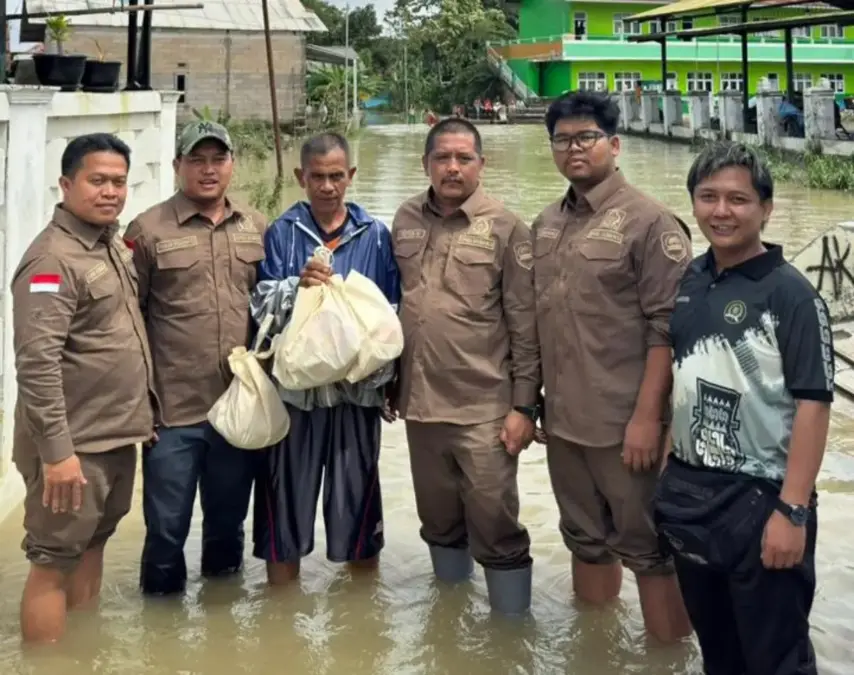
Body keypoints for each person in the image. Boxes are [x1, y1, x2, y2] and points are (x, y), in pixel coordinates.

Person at [657, 141, 834, 675]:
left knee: (777, 658)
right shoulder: (690, 279)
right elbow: (683, 378)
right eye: (708, 197)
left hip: (764, 502)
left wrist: (793, 511)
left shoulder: (793, 296)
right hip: (692, 497)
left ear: (766, 208)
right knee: (719, 651)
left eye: (738, 199)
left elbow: (814, 405)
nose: (721, 211)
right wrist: (668, 466)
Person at [531, 91, 692, 642]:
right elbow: (538, 321)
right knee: (584, 539)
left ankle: (665, 655)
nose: (574, 149)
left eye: (586, 137)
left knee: (650, 550)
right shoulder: (547, 223)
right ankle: (597, 650)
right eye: (562, 139)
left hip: (627, 427)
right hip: (565, 425)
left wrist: (649, 419)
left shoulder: (651, 222)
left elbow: (667, 330)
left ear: (615, 144)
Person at [389, 118, 540, 615]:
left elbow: (524, 326)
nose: (452, 168)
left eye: (463, 158)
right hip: (420, 406)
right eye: (442, 158)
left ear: (481, 163)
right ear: (426, 163)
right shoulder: (406, 218)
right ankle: (450, 627)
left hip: (485, 409)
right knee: (438, 521)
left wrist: (524, 407)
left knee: (496, 525)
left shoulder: (506, 227)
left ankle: (508, 637)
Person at [11, 133, 156, 642]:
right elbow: (36, 363)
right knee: (52, 563)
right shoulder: (52, 261)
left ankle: (81, 651)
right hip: (73, 448)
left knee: (93, 545)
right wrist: (56, 454)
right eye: (97, 180)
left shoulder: (108, 246)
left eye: (119, 181)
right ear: (67, 184)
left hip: (113, 439)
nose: (111, 191)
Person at [124, 120, 268, 596]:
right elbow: (128, 321)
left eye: (218, 159)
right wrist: (140, 406)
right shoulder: (147, 229)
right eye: (197, 160)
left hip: (237, 411)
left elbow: (273, 310)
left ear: (232, 165)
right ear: (176, 166)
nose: (208, 170)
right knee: (166, 532)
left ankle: (222, 638)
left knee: (228, 532)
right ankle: (160, 639)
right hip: (172, 414)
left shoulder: (255, 225)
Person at [249, 132, 400, 585]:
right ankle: (281, 618)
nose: (328, 186)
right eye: (318, 177)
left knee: (358, 511)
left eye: (337, 176)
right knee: (284, 514)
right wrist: (299, 286)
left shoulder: (375, 235)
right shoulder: (282, 232)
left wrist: (393, 384)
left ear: (351, 176)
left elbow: (392, 314)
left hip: (358, 395)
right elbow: (260, 306)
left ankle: (360, 620)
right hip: (296, 397)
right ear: (301, 177)